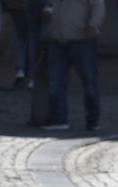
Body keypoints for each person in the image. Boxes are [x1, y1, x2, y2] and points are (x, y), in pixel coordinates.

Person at [40, 0, 105, 132]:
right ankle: (59, 119)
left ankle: (92, 120)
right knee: (56, 82)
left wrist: (93, 25)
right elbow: (51, 4)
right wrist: (48, 10)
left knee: (89, 82)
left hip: (82, 40)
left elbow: (98, 5)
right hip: (58, 40)